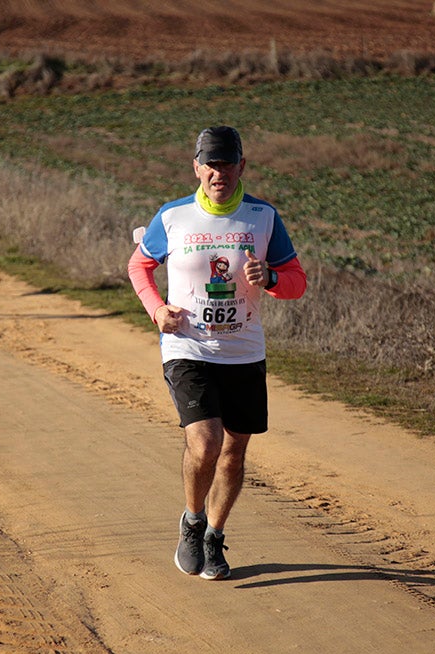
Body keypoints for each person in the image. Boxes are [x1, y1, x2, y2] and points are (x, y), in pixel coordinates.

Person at [127, 126, 307, 580]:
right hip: (187, 347)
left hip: (244, 352)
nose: (217, 172)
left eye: (226, 163)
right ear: (196, 167)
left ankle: (214, 537)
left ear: (241, 167)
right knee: (205, 442)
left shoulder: (263, 218)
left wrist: (269, 278)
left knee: (233, 452)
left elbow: (296, 283)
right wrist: (156, 309)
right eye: (210, 163)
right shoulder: (173, 217)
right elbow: (140, 264)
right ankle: (192, 521)